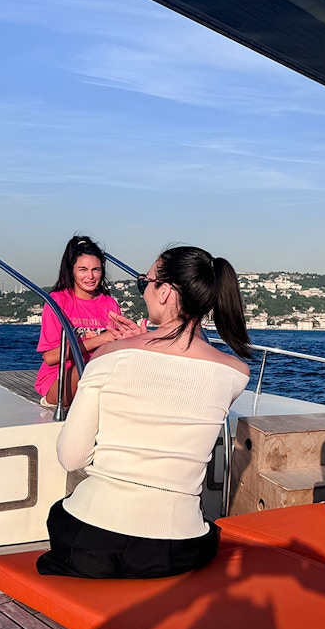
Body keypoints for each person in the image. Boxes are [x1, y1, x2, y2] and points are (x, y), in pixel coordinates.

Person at [36, 245, 252, 579]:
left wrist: (128, 346)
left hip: (94, 540)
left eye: (145, 283)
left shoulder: (109, 355)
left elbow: (72, 456)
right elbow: (176, 381)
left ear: (165, 291)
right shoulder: (236, 373)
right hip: (179, 548)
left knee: (59, 515)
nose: (143, 292)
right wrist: (143, 345)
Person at [34, 235, 122, 409]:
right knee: (87, 371)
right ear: (71, 271)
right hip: (61, 379)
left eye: (95, 269)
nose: (90, 276)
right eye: (83, 269)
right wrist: (99, 340)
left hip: (98, 374)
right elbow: (50, 357)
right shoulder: (58, 301)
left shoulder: (109, 304)